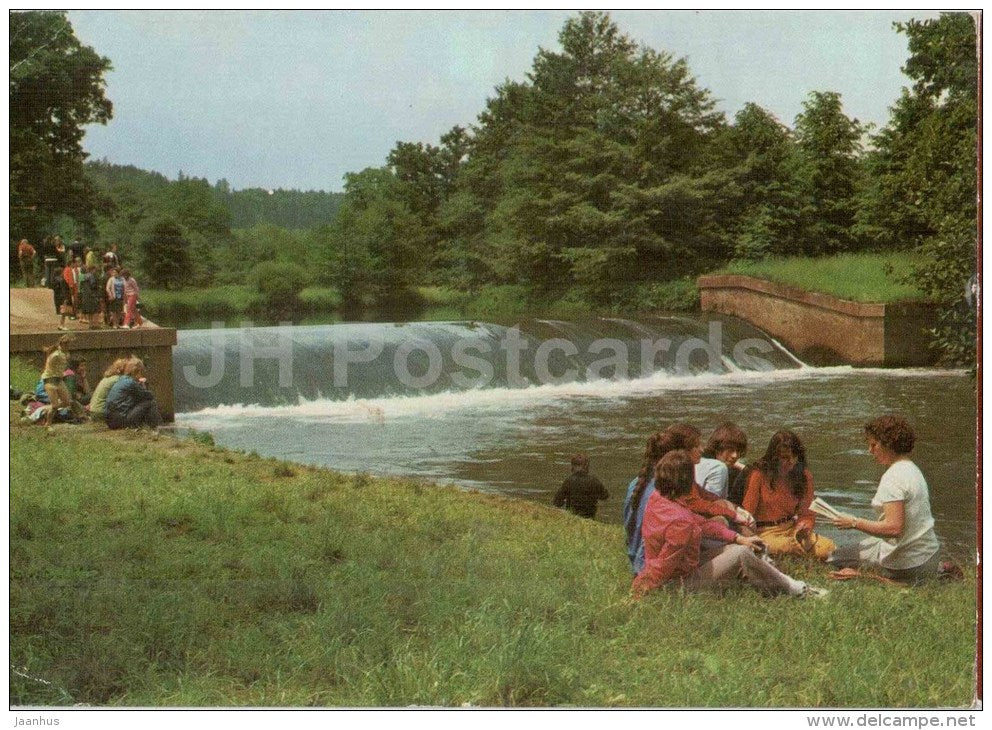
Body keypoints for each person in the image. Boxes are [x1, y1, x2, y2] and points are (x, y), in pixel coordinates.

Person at [632, 450, 827, 599]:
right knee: (739, 554)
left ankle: (783, 582)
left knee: (737, 548)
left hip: (682, 569)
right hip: (676, 585)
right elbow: (664, 564)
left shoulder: (658, 499)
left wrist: (738, 537)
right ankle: (795, 589)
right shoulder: (679, 521)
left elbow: (700, 523)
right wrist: (641, 589)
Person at [623, 424, 754, 574]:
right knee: (738, 549)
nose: (702, 450)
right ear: (681, 453)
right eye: (696, 446)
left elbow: (702, 503)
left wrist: (734, 514)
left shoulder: (644, 481)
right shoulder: (667, 491)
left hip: (643, 561)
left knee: (732, 533)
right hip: (655, 569)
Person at [829, 416, 942, 583]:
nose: (870, 450)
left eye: (874, 445)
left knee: (835, 557)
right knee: (864, 546)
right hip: (929, 556)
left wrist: (853, 522)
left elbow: (893, 529)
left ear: (888, 444)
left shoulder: (892, 477)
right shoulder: (912, 469)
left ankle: (874, 578)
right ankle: (937, 571)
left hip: (908, 565)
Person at [742, 430, 836, 560]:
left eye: (794, 456)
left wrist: (804, 526)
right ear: (774, 457)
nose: (791, 462)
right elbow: (747, 515)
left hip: (792, 529)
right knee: (787, 546)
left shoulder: (804, 476)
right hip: (764, 531)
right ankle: (794, 553)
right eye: (785, 457)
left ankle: (797, 552)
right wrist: (749, 538)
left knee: (828, 548)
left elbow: (807, 513)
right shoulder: (759, 474)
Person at [696, 422, 749, 500]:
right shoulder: (701, 463)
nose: (735, 455)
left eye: (738, 451)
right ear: (718, 449)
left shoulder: (736, 472)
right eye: (730, 450)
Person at [105, 358, 162, 430]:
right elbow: (149, 396)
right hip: (120, 421)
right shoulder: (131, 383)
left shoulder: (122, 379)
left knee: (141, 403)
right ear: (137, 372)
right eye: (141, 372)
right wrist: (143, 385)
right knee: (150, 403)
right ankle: (159, 428)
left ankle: (149, 427)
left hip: (110, 421)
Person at [553, 453, 609, 518]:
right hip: (589, 515)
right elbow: (605, 496)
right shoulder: (594, 480)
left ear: (572, 466)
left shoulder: (568, 481)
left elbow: (557, 502)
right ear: (586, 466)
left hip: (572, 515)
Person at [39, 335, 73, 427]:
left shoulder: (65, 354)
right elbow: (49, 363)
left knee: (66, 402)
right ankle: (48, 424)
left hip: (59, 380)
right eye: (68, 344)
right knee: (55, 405)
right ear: (63, 344)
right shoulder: (56, 354)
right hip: (50, 380)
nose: (69, 347)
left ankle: (46, 409)